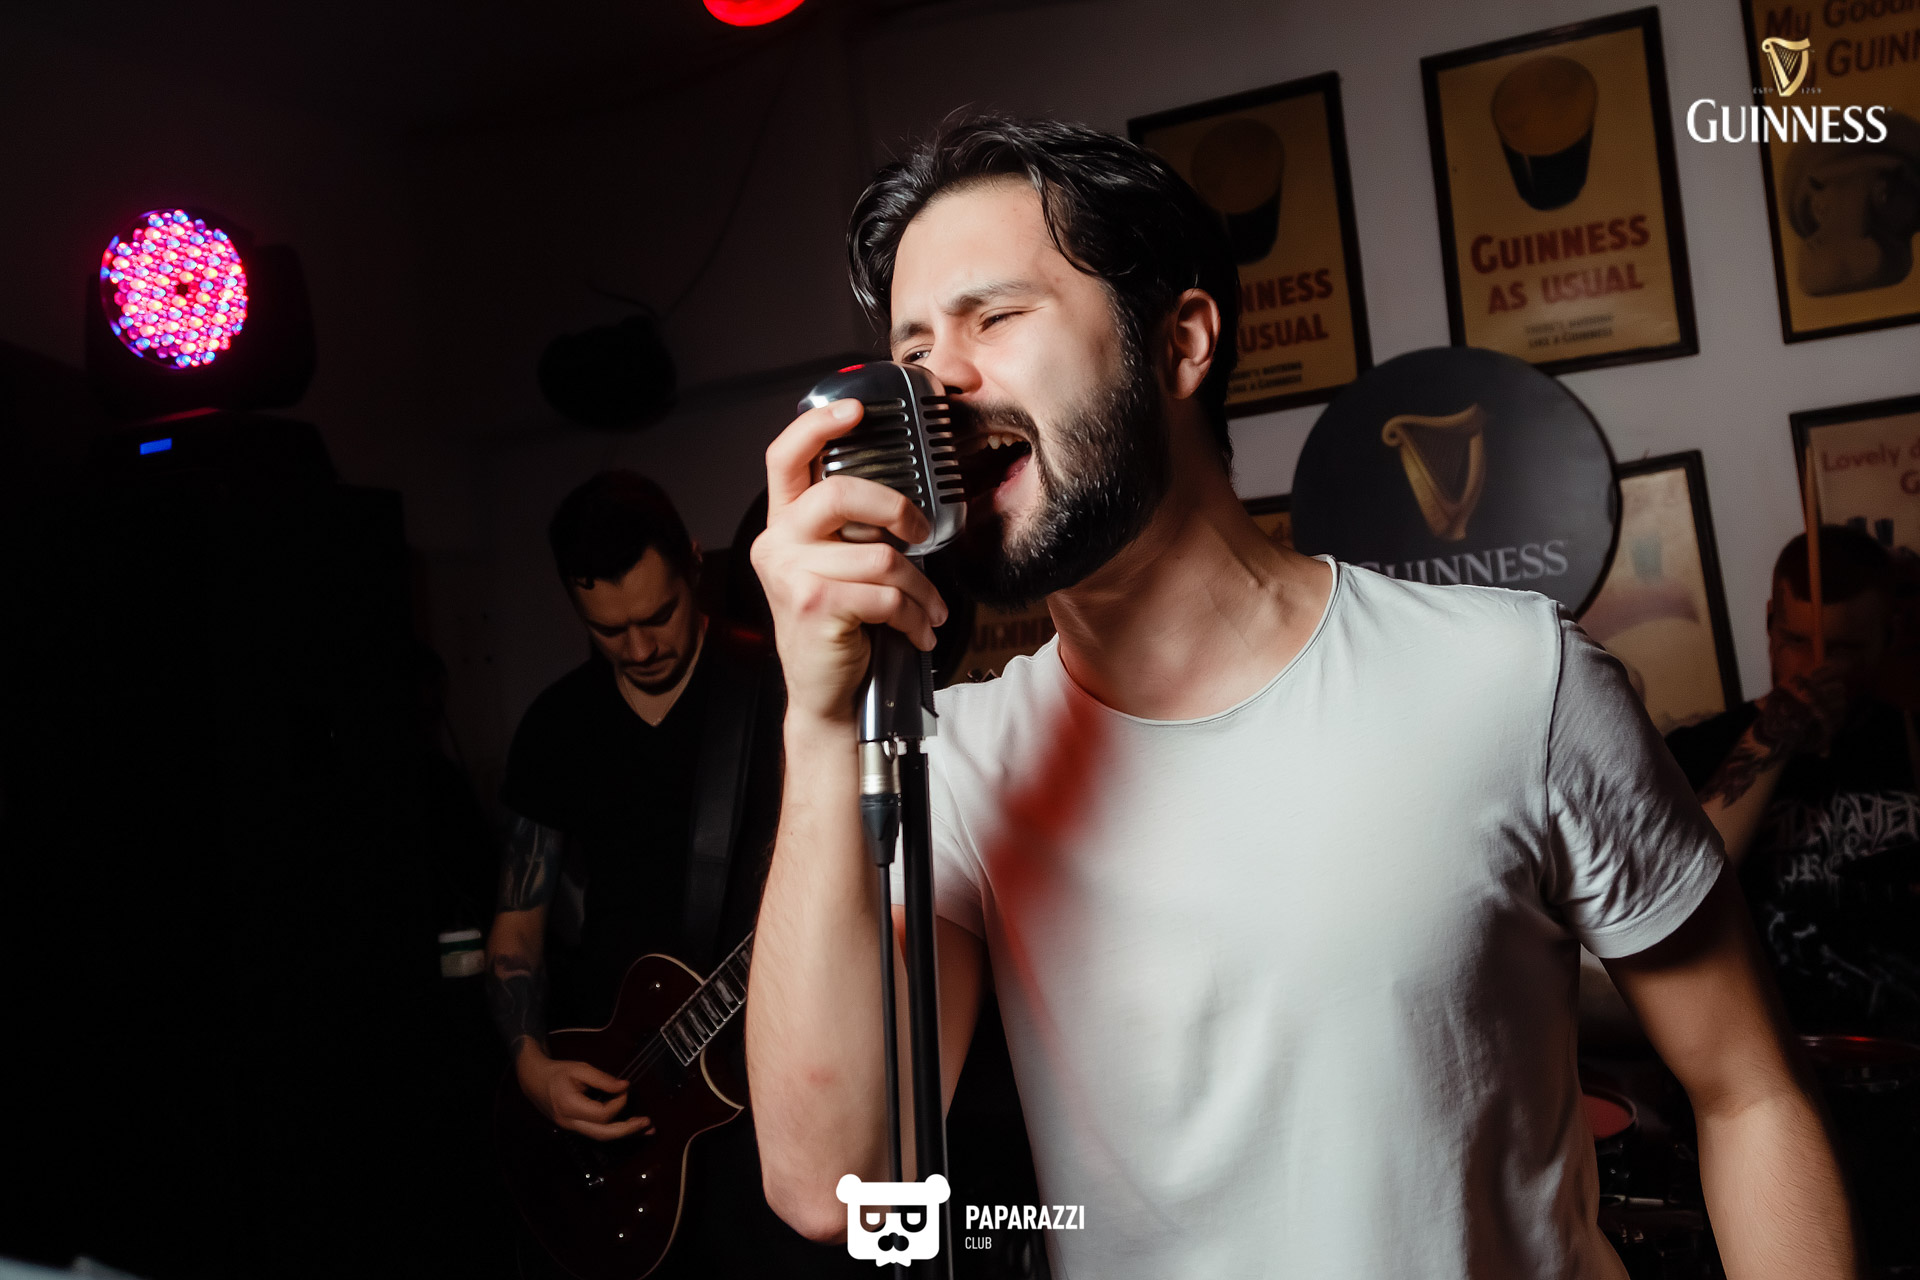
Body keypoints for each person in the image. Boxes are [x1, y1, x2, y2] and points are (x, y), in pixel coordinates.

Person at [744, 116, 1855, 1278]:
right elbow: (836, 1186)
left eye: (994, 317)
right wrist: (820, 719)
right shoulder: (961, 767)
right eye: (914, 349)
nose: (938, 384)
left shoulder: (1510, 677)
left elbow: (1750, 1091)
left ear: (1181, 342)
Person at [484, 471, 850, 1278]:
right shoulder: (556, 725)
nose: (642, 648)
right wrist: (533, 1070)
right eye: (609, 631)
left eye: (658, 616)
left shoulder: (780, 688)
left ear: (693, 564)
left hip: (766, 1073)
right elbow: (516, 931)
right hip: (616, 1079)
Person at [1667, 527, 1920, 1033]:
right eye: (1796, 642)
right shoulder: (1697, 750)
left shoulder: (1912, 741)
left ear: (1889, 635)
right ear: (1769, 624)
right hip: (1763, 1060)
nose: (1816, 667)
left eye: (1844, 648)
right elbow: (1679, 893)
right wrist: (1774, 734)